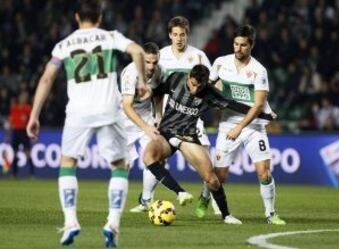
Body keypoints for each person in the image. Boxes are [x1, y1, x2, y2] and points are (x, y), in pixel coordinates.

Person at [26, 0, 148, 247]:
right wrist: (142, 82)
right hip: (108, 109)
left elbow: (48, 77)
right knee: (119, 165)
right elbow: (138, 51)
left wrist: (34, 115)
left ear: (76, 17)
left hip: (78, 111)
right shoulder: (111, 36)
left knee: (68, 163)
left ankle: (71, 221)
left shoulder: (64, 44)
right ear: (100, 18)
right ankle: (112, 223)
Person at [142, 64, 273, 224]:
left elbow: (234, 105)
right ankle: (180, 193)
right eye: (193, 84)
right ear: (189, 77)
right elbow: (158, 92)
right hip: (166, 132)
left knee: (212, 179)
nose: (195, 90)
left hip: (187, 137)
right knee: (148, 156)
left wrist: (265, 114)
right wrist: (157, 114)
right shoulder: (175, 78)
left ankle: (226, 215)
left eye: (200, 86)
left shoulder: (211, 93)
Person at [130, 16, 221, 215]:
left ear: (187, 35)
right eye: (175, 34)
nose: (179, 38)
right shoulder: (161, 56)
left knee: (205, 158)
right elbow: (158, 88)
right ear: (170, 35)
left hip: (192, 118)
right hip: (167, 118)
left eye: (183, 34)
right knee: (156, 159)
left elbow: (213, 84)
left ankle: (210, 197)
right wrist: (159, 114)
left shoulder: (198, 56)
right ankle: (146, 199)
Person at [197, 25, 286, 225]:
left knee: (264, 171)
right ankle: (204, 195)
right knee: (219, 176)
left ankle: (271, 214)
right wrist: (214, 92)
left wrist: (240, 127)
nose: (238, 48)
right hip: (228, 123)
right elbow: (207, 88)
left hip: (253, 127)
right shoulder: (221, 63)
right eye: (236, 44)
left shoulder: (258, 70)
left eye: (243, 45)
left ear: (251, 46)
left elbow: (257, 105)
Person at [119, 42, 162, 212]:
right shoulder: (130, 73)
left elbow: (158, 94)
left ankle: (146, 199)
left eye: (154, 62)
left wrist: (159, 115)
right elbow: (127, 106)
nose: (151, 67)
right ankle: (117, 204)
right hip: (124, 118)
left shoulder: (159, 71)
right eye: (148, 62)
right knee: (124, 165)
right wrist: (145, 127)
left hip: (146, 117)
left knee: (154, 157)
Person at [8, 91, 33, 177]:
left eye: (25, 97)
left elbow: (32, 121)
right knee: (14, 153)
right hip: (16, 132)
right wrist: (7, 135)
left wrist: (33, 132)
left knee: (28, 153)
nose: (23, 98)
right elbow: (11, 122)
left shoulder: (28, 108)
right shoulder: (14, 108)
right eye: (22, 97)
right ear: (19, 98)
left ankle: (31, 174)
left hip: (24, 132)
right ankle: (14, 173)